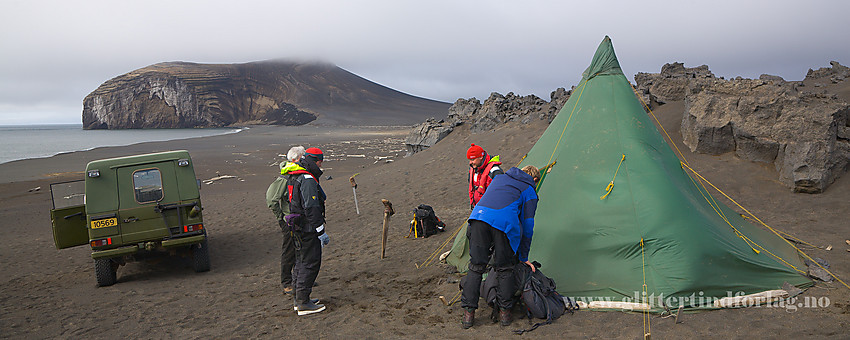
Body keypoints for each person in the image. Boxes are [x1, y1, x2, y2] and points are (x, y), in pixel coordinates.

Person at [461, 165, 541, 329]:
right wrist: (523, 257)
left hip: (477, 218)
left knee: (475, 267)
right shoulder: (529, 189)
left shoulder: (500, 178)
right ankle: (505, 313)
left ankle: (468, 315)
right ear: (534, 180)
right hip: (503, 224)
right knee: (505, 268)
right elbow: (528, 226)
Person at [288, 147, 330, 316]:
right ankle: (303, 302)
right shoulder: (307, 179)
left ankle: (299, 299)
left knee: (300, 262)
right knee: (310, 263)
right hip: (307, 229)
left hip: (297, 226)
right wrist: (320, 231)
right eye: (320, 161)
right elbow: (312, 208)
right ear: (315, 161)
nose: (321, 165)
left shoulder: (295, 175)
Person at [266, 146, 306, 296]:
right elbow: (271, 199)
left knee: (300, 249)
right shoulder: (285, 177)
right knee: (289, 250)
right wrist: (281, 219)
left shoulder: (296, 174)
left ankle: (299, 278)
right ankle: (287, 282)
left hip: (298, 219)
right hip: (289, 220)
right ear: (296, 160)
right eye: (303, 157)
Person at [467, 143, 504, 209]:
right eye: (469, 160)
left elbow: (502, 194)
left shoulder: (495, 171)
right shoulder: (472, 169)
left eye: (472, 160)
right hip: (478, 208)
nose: (470, 162)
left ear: (481, 157)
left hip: (491, 210)